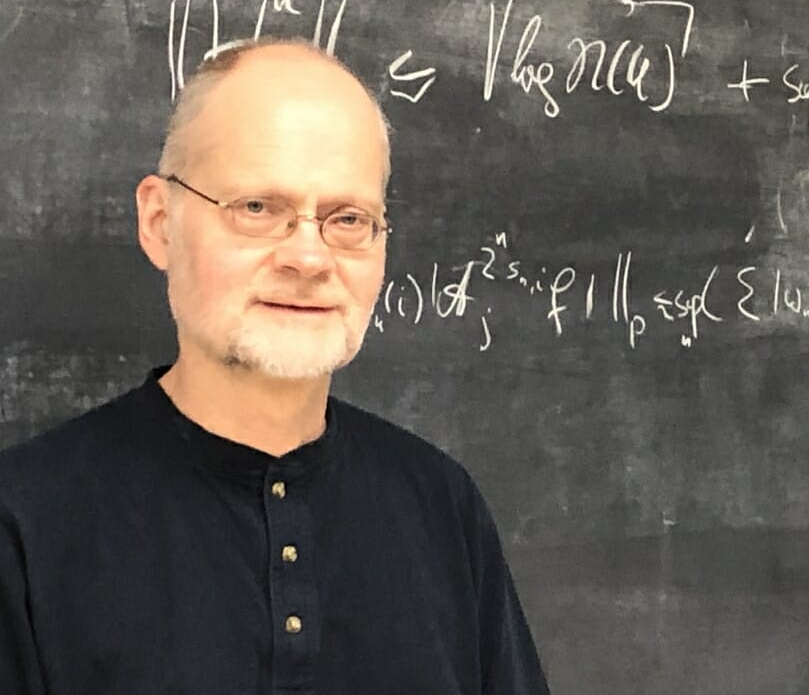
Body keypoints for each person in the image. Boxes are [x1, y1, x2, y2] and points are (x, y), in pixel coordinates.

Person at [0, 38, 550, 695]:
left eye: (348, 218)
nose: (309, 258)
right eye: (258, 208)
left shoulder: (440, 507)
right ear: (159, 222)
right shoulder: (26, 524)